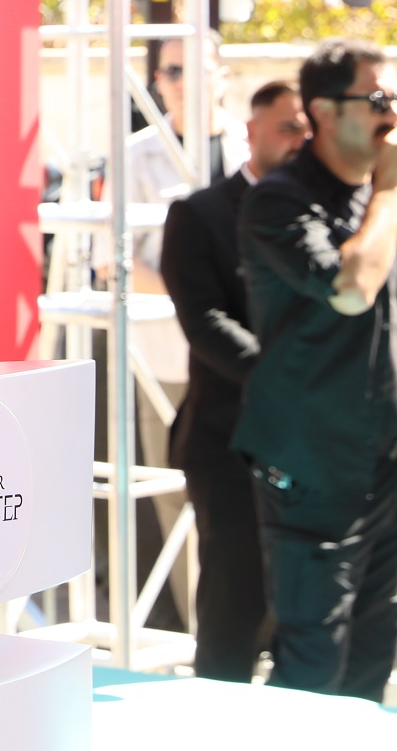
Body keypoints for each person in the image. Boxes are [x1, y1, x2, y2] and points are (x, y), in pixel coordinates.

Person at [234, 37, 397, 700]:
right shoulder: (281, 199)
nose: (391, 114)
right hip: (313, 464)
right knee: (312, 663)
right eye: (378, 98)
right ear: (325, 111)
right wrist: (390, 190)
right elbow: (352, 288)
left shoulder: (376, 201)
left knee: (373, 656)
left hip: (383, 461)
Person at [160, 79, 307, 682]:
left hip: (316, 450)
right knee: (234, 605)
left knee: (306, 614)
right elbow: (206, 324)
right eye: (287, 127)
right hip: (230, 445)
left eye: (308, 130)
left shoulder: (332, 215)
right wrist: (294, 382)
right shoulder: (200, 214)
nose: (299, 141)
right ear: (251, 131)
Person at [124, 34, 248, 291]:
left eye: (197, 70)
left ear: (223, 78)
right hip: (161, 312)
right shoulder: (134, 154)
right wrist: (191, 302)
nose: (183, 82)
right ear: (159, 81)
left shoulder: (251, 148)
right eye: (173, 72)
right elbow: (111, 257)